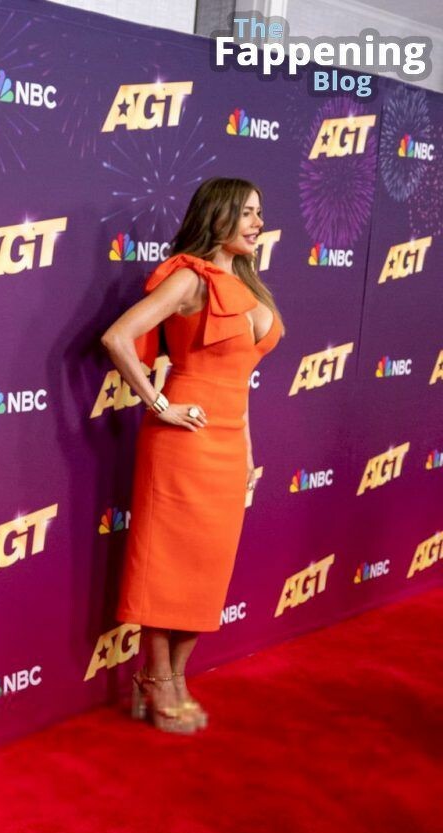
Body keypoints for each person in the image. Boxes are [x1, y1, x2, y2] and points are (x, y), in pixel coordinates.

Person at [99, 177, 285, 734]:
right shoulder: (189, 277)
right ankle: (156, 677)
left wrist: (247, 453)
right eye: (247, 213)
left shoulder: (248, 285)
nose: (257, 223)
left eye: (259, 212)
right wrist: (159, 404)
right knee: (169, 564)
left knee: (208, 567)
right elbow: (117, 338)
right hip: (182, 443)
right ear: (218, 216)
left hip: (229, 442)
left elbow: (240, 385)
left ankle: (175, 677)